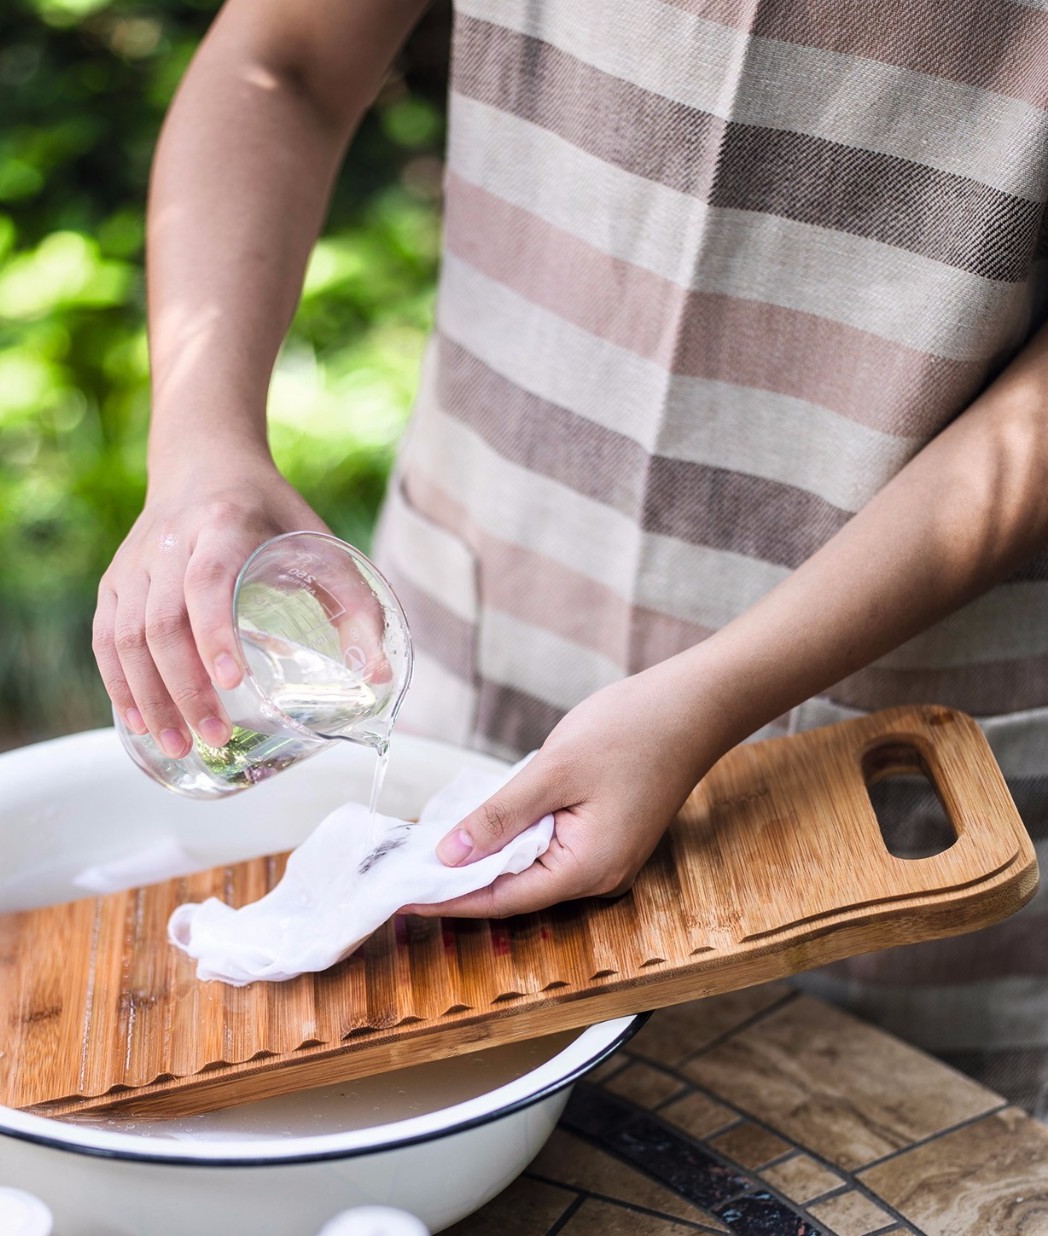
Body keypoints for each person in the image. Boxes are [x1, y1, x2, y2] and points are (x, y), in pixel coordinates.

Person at [93, 0, 1048, 1111]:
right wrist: (202, 445)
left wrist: (713, 696)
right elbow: (280, 60)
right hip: (476, 633)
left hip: (886, 749)